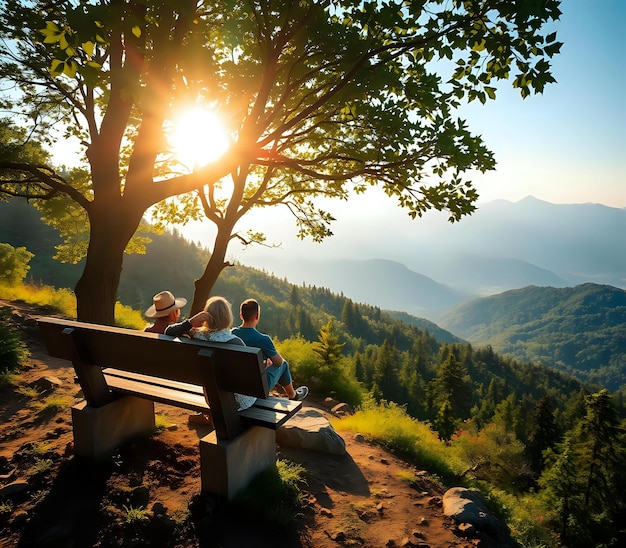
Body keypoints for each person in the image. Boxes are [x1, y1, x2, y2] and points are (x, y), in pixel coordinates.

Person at [232, 298, 308, 401]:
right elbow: (279, 362)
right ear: (257, 316)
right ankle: (293, 395)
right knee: (284, 364)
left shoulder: (232, 334)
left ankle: (293, 395)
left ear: (241, 315)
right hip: (257, 388)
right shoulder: (263, 339)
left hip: (236, 383)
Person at [193, 296, 257, 412]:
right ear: (228, 317)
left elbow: (170, 331)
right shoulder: (236, 342)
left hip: (211, 399)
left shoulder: (196, 336)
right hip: (238, 403)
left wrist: (191, 322)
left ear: (206, 315)